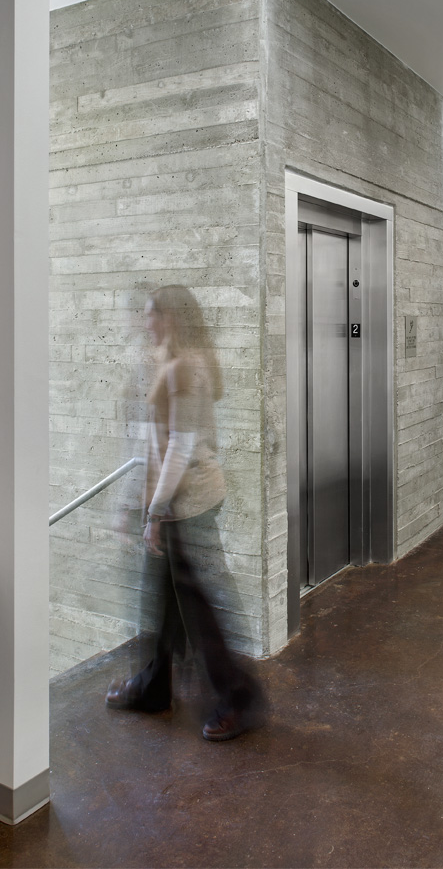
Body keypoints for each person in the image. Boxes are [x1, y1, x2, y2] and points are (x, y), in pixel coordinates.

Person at [105, 284, 265, 741]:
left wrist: (154, 511)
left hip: (190, 501)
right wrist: (134, 502)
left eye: (152, 314)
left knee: (199, 606)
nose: (145, 322)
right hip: (172, 499)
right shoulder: (168, 362)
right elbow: (152, 441)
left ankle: (239, 696)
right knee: (160, 600)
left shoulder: (186, 367)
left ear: (172, 316)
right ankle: (154, 684)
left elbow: (181, 444)